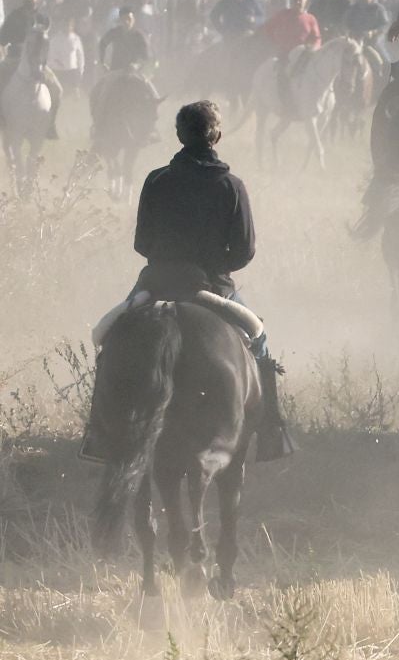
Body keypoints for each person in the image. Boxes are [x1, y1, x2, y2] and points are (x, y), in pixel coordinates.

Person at [80, 101, 292, 463]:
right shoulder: (232, 185)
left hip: (158, 283)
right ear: (217, 136)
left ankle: (97, 435)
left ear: (179, 135)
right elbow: (244, 251)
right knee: (259, 341)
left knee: (109, 339)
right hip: (212, 287)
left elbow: (141, 243)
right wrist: (214, 265)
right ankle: (272, 432)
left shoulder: (156, 179)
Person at [0, 0, 63, 138]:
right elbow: (2, 38)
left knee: (58, 90)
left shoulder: (43, 19)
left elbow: (46, 42)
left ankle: (50, 124)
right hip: (14, 59)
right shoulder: (14, 17)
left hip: (37, 63)